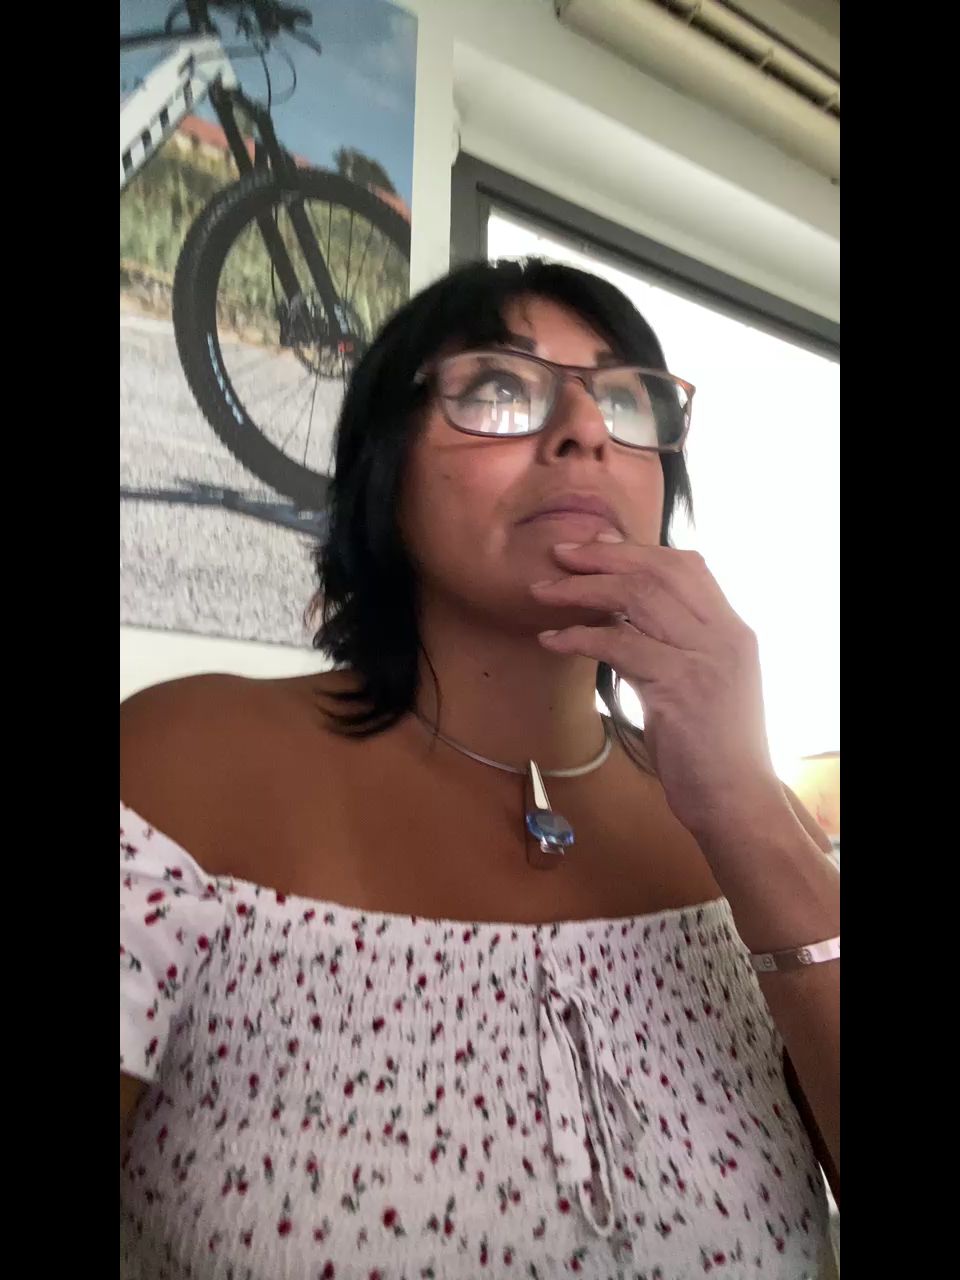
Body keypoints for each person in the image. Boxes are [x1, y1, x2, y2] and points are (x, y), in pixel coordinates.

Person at [120, 258, 839, 1279]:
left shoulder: (747, 828)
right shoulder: (179, 767)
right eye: (500, 387)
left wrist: (747, 807)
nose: (585, 430)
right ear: (384, 469)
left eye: (624, 400)